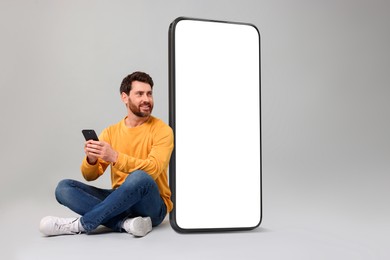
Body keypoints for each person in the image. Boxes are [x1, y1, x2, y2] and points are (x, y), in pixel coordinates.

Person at [39, 71, 174, 237]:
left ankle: (81, 224)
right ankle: (125, 223)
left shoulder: (163, 131)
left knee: (140, 177)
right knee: (64, 188)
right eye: (140, 94)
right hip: (119, 200)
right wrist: (92, 159)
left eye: (149, 94)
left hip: (151, 205)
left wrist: (115, 157)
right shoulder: (111, 132)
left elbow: (153, 169)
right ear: (125, 97)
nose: (146, 99)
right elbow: (89, 176)